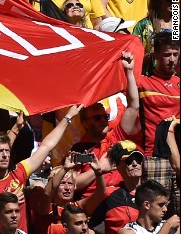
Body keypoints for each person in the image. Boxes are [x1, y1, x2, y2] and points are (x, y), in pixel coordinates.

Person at [0, 104, 82, 233]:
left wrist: (68, 117)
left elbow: (46, 146)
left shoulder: (19, 172)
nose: (5, 155)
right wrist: (9, 202)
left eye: (7, 150)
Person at [70, 51, 139, 197]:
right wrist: (99, 168)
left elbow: (134, 107)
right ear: (85, 124)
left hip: (119, 199)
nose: (103, 120)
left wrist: (129, 71)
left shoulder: (116, 137)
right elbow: (74, 184)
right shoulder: (79, 150)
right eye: (96, 118)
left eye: (105, 116)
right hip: (92, 203)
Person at [137, 31, 180, 215]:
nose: (172, 59)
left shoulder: (180, 83)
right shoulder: (143, 83)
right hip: (155, 159)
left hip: (179, 157)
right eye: (167, 54)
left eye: (176, 54)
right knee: (154, 217)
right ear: (155, 55)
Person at [35, 152, 106, 234]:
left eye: (70, 184)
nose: (67, 188)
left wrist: (98, 171)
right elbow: (47, 193)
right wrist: (65, 168)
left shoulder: (79, 207)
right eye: (62, 183)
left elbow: (101, 193)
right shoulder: (46, 209)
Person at [91, 140, 143, 233]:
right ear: (116, 165)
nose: (135, 163)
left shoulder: (153, 191)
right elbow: (88, 225)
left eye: (138, 159)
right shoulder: (109, 195)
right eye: (129, 160)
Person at [131, 0, 173, 75]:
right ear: (157, 0)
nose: (173, 1)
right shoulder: (143, 26)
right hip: (151, 80)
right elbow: (134, 59)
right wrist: (153, 55)